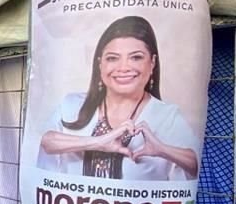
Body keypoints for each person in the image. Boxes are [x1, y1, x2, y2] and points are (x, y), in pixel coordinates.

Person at [38, 15, 200, 180]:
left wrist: (162, 149)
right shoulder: (72, 104)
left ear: (152, 62)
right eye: (113, 58)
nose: (124, 68)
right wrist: (99, 142)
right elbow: (45, 141)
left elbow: (195, 164)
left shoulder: (167, 115)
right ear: (100, 64)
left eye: (136, 57)